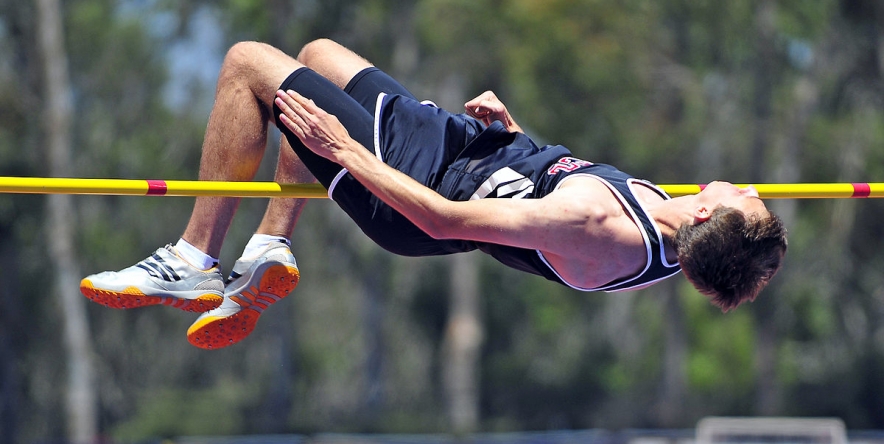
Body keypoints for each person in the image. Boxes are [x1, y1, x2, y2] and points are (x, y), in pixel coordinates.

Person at [80, 39, 788, 350]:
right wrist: (522, 139)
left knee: (249, 65)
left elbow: (444, 219)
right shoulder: (671, 220)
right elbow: (551, 189)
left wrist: (344, 152)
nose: (749, 186)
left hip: (418, 191)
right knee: (320, 54)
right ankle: (269, 248)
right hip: (470, 151)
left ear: (707, 214)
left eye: (745, 199)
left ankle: (194, 259)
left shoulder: (601, 227)